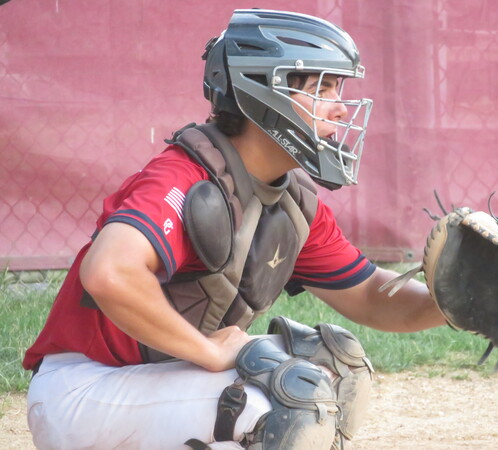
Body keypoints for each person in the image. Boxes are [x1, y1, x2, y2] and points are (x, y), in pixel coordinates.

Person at [23, 9, 446, 450]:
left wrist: (459, 303)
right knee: (290, 404)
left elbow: (373, 298)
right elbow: (108, 273)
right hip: (83, 390)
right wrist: (208, 352)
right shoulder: (183, 178)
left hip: (154, 385)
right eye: (322, 89)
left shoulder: (292, 202)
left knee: (334, 366)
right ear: (263, 94)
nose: (341, 107)